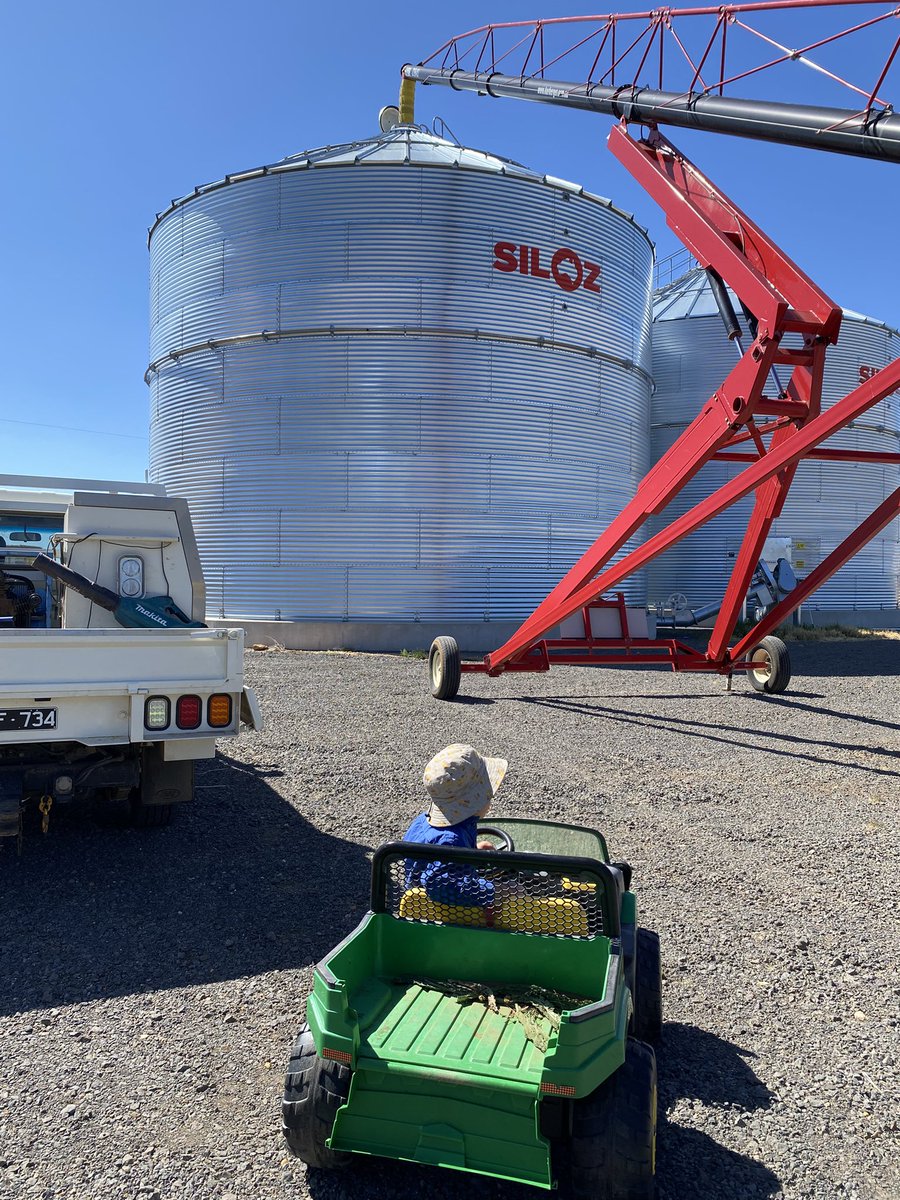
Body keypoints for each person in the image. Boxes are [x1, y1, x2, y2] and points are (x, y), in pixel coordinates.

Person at [403, 743, 508, 910]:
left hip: (424, 910)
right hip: (449, 917)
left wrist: (471, 853)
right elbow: (445, 888)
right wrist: (495, 891)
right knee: (518, 892)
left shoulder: (421, 823)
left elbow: (432, 865)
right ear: (476, 800)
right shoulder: (451, 841)